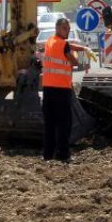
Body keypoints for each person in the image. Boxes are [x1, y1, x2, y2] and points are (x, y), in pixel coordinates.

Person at [41, 17, 89, 162]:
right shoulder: (64, 45)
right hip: (61, 90)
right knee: (64, 124)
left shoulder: (50, 41)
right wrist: (83, 57)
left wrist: (80, 48)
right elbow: (74, 61)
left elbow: (66, 45)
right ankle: (63, 154)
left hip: (47, 89)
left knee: (49, 124)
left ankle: (47, 155)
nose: (67, 31)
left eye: (68, 28)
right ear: (58, 29)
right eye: (64, 28)